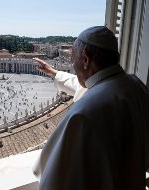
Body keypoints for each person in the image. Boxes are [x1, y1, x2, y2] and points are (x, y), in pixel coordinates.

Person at [32, 26, 149, 190]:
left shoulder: (82, 114)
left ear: (85, 59)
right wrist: (54, 72)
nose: (73, 66)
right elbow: (87, 85)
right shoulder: (136, 86)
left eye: (74, 61)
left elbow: (54, 179)